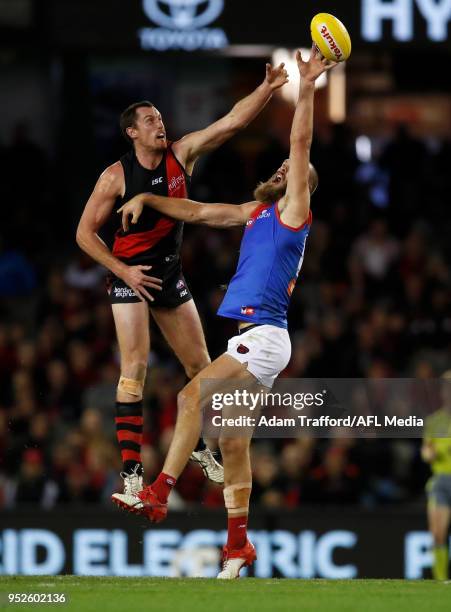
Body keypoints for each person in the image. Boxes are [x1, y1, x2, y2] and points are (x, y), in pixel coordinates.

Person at [114, 47, 336, 579]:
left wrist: (305, 86)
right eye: (283, 167)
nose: (284, 167)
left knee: (191, 396)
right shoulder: (256, 212)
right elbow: (195, 210)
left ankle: (158, 492)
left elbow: (300, 141)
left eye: (293, 171)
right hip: (260, 338)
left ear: (302, 187)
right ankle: (238, 547)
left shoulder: (293, 212)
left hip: (263, 337)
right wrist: (149, 202)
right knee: (233, 443)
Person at [76, 63, 289, 503]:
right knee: (134, 367)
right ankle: (133, 471)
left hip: (168, 273)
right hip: (130, 273)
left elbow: (232, 122)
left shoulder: (181, 154)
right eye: (150, 119)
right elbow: (83, 234)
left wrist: (267, 88)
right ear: (132, 132)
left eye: (160, 117)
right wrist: (123, 271)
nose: (160, 123)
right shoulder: (114, 177)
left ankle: (197, 450)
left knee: (202, 369)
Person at [422, 371, 451, 580]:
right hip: (441, 480)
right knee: (437, 533)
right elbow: (426, 450)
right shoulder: (434, 422)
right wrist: (429, 453)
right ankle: (441, 583)